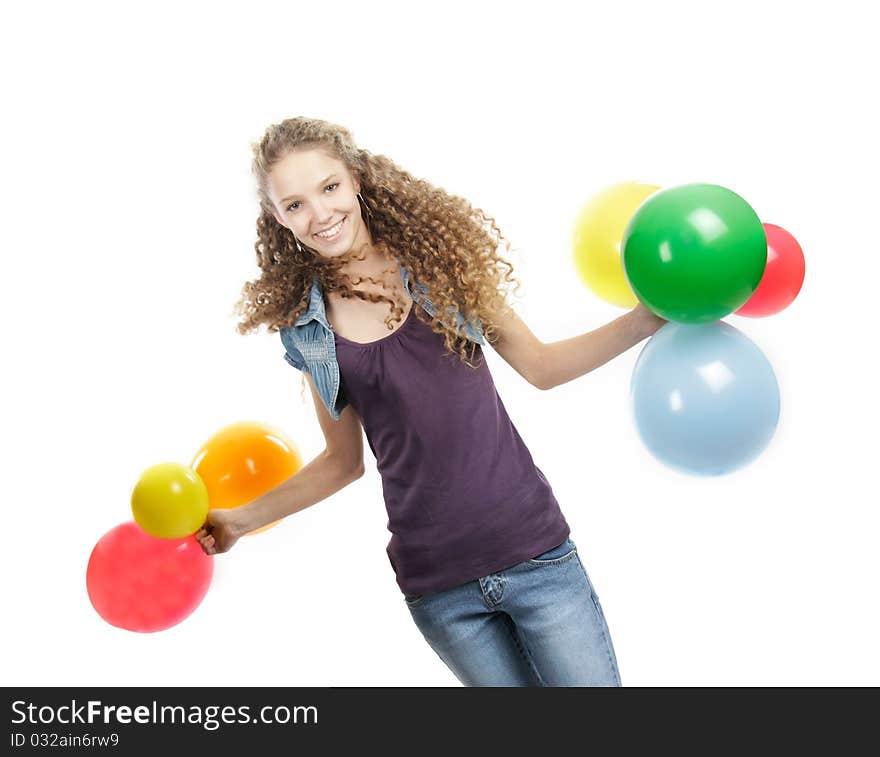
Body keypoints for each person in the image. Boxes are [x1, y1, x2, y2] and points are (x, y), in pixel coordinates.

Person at [195, 117, 666, 686]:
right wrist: (238, 522)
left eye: (328, 188)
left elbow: (541, 368)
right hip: (440, 589)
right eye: (294, 205)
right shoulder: (308, 329)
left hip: (535, 554)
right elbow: (342, 463)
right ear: (277, 218)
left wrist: (643, 320)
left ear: (357, 180)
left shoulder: (441, 265)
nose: (319, 215)